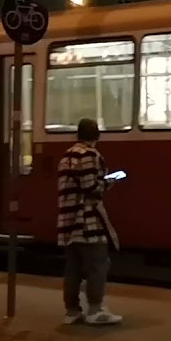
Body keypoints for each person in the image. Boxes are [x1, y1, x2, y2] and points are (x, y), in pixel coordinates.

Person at [57, 118, 122, 325]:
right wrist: (110, 182)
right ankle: (95, 310)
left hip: (67, 221)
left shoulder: (66, 156)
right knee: (98, 266)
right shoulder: (90, 155)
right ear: (97, 135)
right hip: (87, 221)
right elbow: (91, 188)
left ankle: (72, 311)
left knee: (73, 269)